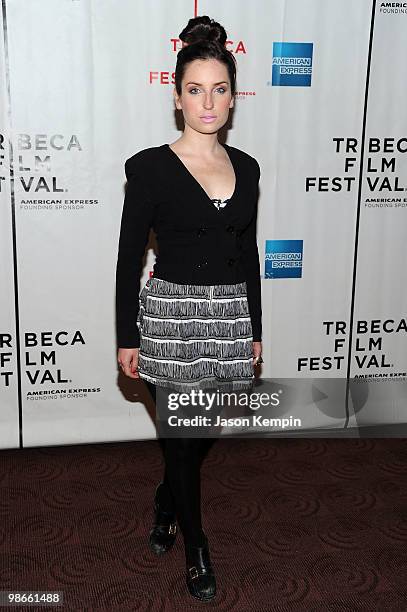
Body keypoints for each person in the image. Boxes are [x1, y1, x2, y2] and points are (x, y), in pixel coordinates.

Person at [115, 15, 263, 602]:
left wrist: (254, 328)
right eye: (195, 89)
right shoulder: (149, 167)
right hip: (171, 321)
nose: (208, 101)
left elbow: (248, 252)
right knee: (183, 439)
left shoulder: (247, 168)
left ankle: (164, 498)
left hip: (228, 319)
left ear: (233, 96)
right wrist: (127, 335)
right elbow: (129, 259)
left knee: (198, 435)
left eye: (219, 89)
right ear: (177, 97)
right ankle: (196, 545)